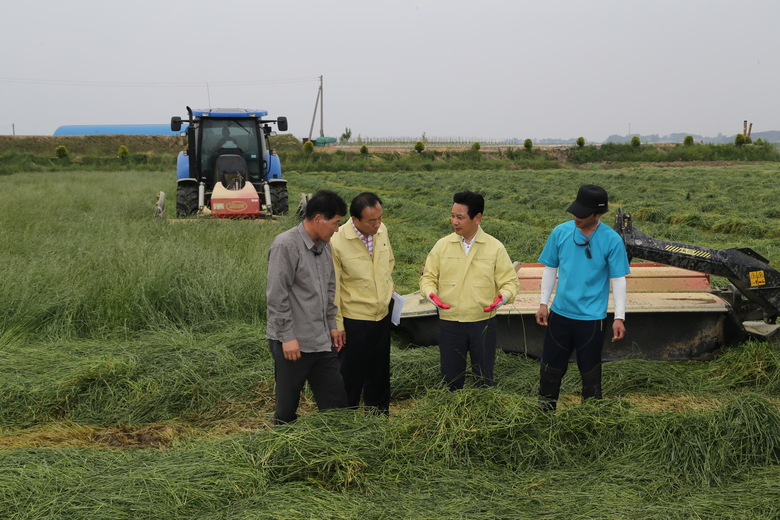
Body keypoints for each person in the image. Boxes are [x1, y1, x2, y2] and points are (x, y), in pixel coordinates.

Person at [535, 184, 631, 410]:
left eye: (582, 213)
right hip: (560, 315)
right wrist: (543, 304)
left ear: (598, 214)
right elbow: (550, 268)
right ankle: (544, 413)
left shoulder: (612, 240)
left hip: (591, 320)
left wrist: (619, 317)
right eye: (574, 211)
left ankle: (590, 417)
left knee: (590, 373)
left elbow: (618, 279)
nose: (576, 216)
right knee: (550, 368)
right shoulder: (560, 232)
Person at [420, 191, 520, 390]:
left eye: (460, 217)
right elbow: (428, 277)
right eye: (452, 216)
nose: (454, 221)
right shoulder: (442, 246)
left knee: (483, 379)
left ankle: (482, 414)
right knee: (451, 379)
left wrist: (502, 298)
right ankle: (452, 414)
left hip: (482, 322)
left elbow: (510, 282)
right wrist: (430, 294)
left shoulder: (494, 248)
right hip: (450, 322)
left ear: (477, 218)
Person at [266, 190, 349, 424]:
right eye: (335, 223)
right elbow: (276, 296)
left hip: (321, 339)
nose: (337, 229)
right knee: (287, 406)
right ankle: (283, 446)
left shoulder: (325, 246)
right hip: (294, 342)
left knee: (336, 402)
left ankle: (336, 446)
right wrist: (287, 337)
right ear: (318, 219)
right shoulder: (286, 245)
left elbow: (329, 288)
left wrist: (332, 325)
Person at [331, 192, 395, 415]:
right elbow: (334, 287)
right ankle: (345, 417)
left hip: (381, 314)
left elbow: (389, 262)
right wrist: (337, 325)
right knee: (351, 372)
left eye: (380, 218)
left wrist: (388, 286)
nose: (377, 224)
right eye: (371, 221)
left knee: (379, 369)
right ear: (355, 220)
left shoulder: (382, 230)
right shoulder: (337, 240)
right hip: (354, 318)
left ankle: (379, 414)